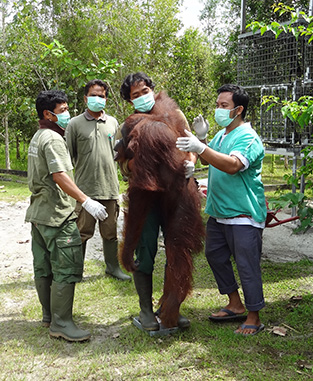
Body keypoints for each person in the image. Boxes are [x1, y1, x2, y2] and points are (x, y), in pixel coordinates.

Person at [176, 84, 267, 336]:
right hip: (219, 212)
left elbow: (233, 165)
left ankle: (254, 316)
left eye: (223, 106)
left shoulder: (248, 137)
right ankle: (235, 304)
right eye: (217, 104)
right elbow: (208, 158)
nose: (218, 109)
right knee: (215, 256)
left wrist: (200, 147)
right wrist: (203, 140)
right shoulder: (223, 135)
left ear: (238, 109)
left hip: (243, 214)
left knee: (247, 266)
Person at [116, 72, 204, 331]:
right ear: (129, 101)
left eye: (145, 91)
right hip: (147, 194)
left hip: (177, 190)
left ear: (152, 89)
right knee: (145, 249)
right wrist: (140, 165)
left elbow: (192, 146)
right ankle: (145, 310)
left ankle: (170, 306)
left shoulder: (174, 114)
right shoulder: (129, 124)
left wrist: (190, 163)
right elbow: (124, 165)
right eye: (136, 95)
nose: (142, 97)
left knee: (178, 249)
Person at [26, 90, 108, 342]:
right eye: (61, 111)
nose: (66, 115)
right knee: (66, 267)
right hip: (57, 214)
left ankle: (49, 315)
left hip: (39, 214)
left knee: (43, 267)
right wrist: (86, 201)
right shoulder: (52, 138)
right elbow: (59, 175)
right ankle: (61, 323)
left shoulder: (38, 136)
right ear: (47, 114)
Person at [65, 79, 131, 281]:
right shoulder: (74, 124)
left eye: (101, 96)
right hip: (85, 189)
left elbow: (119, 154)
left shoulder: (113, 123)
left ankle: (112, 267)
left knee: (110, 233)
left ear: (106, 99)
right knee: (82, 232)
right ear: (85, 98)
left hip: (109, 188)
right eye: (93, 95)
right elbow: (68, 156)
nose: (97, 99)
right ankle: (76, 270)